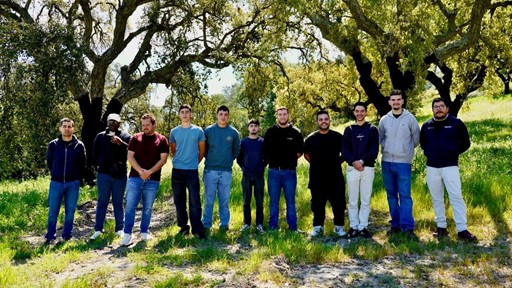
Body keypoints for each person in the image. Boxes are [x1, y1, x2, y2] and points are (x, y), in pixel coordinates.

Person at [420, 98, 477, 242]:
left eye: (441, 106)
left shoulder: (456, 124)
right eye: (436, 107)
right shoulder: (427, 126)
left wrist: (452, 152)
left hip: (450, 166)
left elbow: (466, 143)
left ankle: (462, 229)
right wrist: (431, 153)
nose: (439, 109)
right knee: (436, 197)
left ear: (447, 108)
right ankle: (441, 228)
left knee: (456, 196)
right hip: (432, 167)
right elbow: (423, 144)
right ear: (432, 109)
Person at [378, 89, 420, 239]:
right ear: (389, 102)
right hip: (387, 162)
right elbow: (380, 138)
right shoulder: (384, 120)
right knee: (391, 195)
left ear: (402, 101)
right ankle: (395, 224)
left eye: (398, 99)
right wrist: (388, 149)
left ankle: (407, 227)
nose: (396, 102)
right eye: (393, 100)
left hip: (403, 163)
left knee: (405, 195)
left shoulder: (410, 119)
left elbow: (416, 139)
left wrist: (404, 150)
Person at [121, 113, 169, 246]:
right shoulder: (135, 138)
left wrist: (149, 172)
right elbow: (130, 157)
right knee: (130, 206)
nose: (145, 127)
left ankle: (144, 231)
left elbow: (163, 159)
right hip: (135, 178)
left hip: (153, 180)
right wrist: (141, 171)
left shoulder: (162, 140)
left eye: (148, 125)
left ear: (154, 124)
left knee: (147, 208)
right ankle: (127, 234)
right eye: (143, 125)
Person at [304, 111, 346, 237]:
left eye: (326, 119)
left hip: (335, 177)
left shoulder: (338, 137)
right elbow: (306, 155)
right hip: (317, 177)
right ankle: (318, 227)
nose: (323, 121)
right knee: (317, 203)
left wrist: (336, 162)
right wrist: (318, 164)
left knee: (338, 203)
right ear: (317, 122)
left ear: (329, 120)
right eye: (321, 119)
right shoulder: (311, 138)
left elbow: (345, 153)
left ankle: (339, 227)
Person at [44, 118, 86, 244]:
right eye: (65, 126)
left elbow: (82, 164)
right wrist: (56, 173)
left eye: (69, 126)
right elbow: (50, 162)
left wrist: (75, 176)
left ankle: (66, 235)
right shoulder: (53, 145)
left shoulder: (79, 145)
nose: (67, 128)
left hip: (73, 183)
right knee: (53, 211)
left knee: (70, 210)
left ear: (73, 128)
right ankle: (50, 236)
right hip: (56, 183)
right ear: (60, 128)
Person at [90, 113, 132, 240]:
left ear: (119, 123)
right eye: (110, 121)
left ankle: (120, 228)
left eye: (115, 122)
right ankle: (98, 229)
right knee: (102, 202)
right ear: (107, 122)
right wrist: (102, 164)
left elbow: (131, 151)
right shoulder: (100, 136)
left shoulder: (125, 136)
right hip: (104, 174)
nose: (112, 124)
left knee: (118, 203)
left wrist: (121, 144)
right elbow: (94, 154)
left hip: (119, 174)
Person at [263, 106, 303, 231]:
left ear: (288, 115)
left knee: (290, 201)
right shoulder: (270, 132)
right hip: (274, 172)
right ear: (277, 116)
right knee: (273, 201)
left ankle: (293, 227)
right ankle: (273, 227)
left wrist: (288, 160)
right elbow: (266, 151)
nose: (282, 117)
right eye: (280, 114)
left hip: (289, 172)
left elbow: (300, 152)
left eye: (284, 114)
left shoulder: (295, 132)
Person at [170, 104, 206, 239]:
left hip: (192, 171)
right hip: (177, 171)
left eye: (187, 112)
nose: (185, 114)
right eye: (182, 112)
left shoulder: (198, 131)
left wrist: (193, 162)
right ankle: (183, 227)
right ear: (179, 115)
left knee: (195, 201)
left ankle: (197, 229)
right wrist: (181, 160)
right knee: (179, 201)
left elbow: (202, 150)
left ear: (191, 114)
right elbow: (174, 150)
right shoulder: (174, 132)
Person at [343, 102, 379, 239]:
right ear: (354, 112)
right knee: (352, 200)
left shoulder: (372, 129)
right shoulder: (349, 130)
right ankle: (353, 226)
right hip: (352, 168)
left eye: (362, 111)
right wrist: (354, 162)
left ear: (366, 112)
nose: (359, 113)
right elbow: (345, 150)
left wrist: (362, 161)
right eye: (357, 111)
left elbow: (374, 149)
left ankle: (363, 226)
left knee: (365, 199)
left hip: (367, 168)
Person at [202, 106, 240, 231]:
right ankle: (206, 224)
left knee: (224, 200)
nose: (223, 116)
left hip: (226, 171)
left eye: (225, 114)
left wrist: (227, 160)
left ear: (228, 116)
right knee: (209, 199)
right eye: (221, 114)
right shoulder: (208, 131)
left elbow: (236, 151)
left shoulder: (233, 133)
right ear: (217, 115)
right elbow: (203, 149)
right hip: (210, 170)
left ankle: (224, 225)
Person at [237, 119, 266, 234]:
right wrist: (244, 167)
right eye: (251, 126)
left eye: (256, 126)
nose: (253, 128)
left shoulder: (263, 142)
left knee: (259, 201)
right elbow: (239, 158)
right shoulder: (243, 142)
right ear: (248, 128)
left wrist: (262, 166)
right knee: (246, 201)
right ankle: (246, 223)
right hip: (246, 175)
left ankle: (259, 224)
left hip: (259, 175)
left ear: (259, 128)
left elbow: (267, 157)